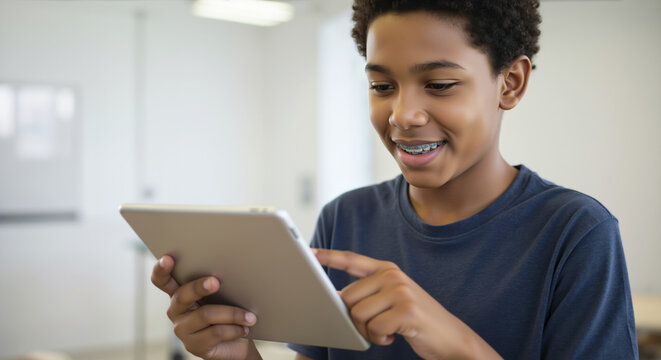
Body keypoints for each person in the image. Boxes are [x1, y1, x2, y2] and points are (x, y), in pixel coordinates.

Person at [150, 0, 638, 359]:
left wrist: (453, 342)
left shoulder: (576, 232)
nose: (402, 115)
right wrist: (236, 353)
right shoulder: (345, 218)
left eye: (440, 85)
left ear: (510, 83)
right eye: (381, 86)